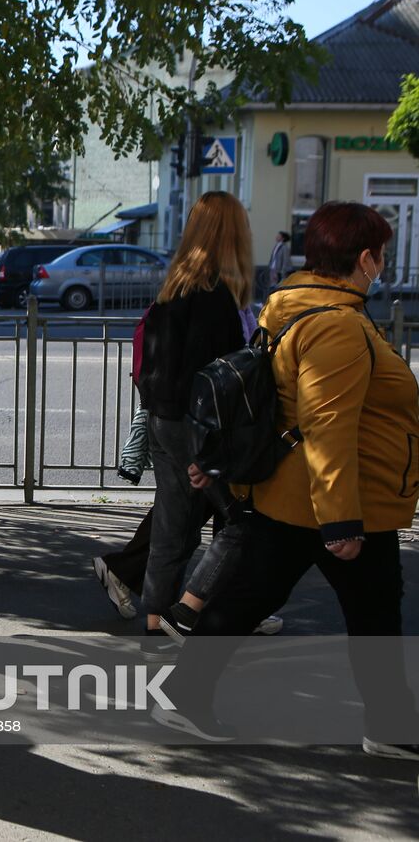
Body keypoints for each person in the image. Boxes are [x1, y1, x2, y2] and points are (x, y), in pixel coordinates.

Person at [160, 202, 419, 756]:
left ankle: (185, 694)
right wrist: (341, 520)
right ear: (365, 258)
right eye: (381, 255)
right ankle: (391, 727)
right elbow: (327, 424)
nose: (383, 265)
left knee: (254, 599)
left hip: (300, 494)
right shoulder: (338, 325)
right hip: (338, 499)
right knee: (371, 614)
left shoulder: (296, 305)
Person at [133, 191, 262, 646]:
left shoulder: (174, 287)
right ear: (232, 235)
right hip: (197, 425)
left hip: (163, 418)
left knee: (172, 525)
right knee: (245, 522)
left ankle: (154, 620)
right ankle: (188, 610)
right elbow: (218, 378)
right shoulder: (216, 297)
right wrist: (208, 448)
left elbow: (156, 365)